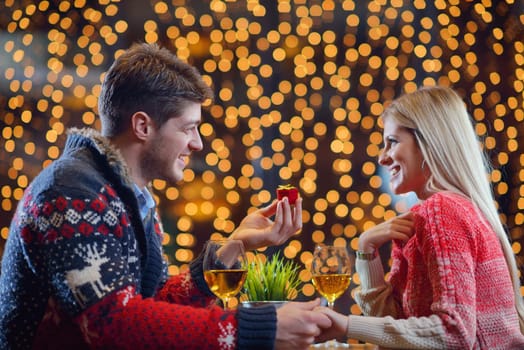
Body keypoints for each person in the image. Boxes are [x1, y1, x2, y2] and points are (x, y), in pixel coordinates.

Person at [0, 42, 331, 349]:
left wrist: (234, 246)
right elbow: (113, 324)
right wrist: (258, 328)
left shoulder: (132, 195)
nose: (198, 143)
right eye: (188, 128)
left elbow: (154, 308)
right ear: (143, 126)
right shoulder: (71, 191)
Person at [315, 86, 524, 349]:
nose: (382, 157)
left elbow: (454, 333)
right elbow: (398, 330)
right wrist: (366, 250)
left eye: (392, 142)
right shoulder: (430, 215)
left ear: (428, 142)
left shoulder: (443, 210)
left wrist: (347, 325)